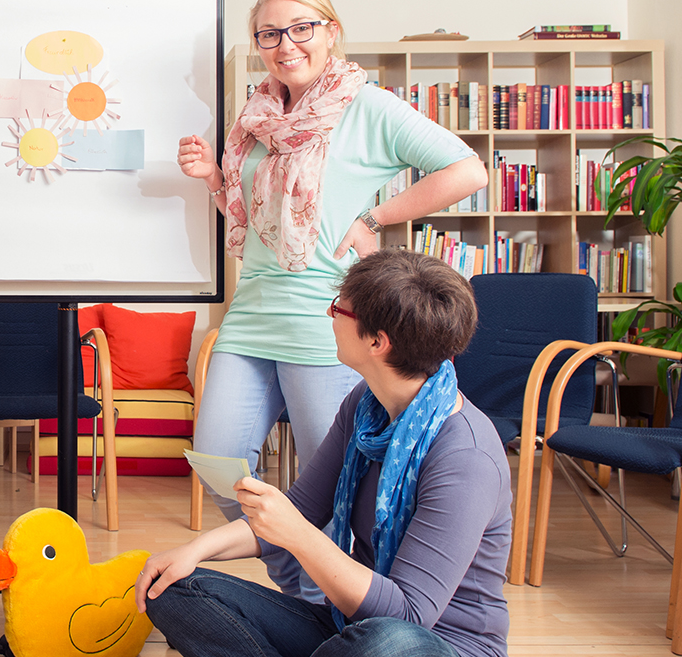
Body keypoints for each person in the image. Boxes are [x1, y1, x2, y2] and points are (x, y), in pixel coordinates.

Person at [177, 0, 488, 594]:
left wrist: (376, 218)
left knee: (338, 488)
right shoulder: (260, 115)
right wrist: (217, 177)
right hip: (253, 311)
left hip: (328, 321)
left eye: (301, 28)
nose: (285, 44)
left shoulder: (366, 107)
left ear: (330, 31)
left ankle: (332, 599)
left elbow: (468, 169)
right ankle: (306, 589)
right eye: (269, 33)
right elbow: (258, 221)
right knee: (219, 465)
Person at [136, 250, 511, 657]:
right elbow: (299, 508)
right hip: (350, 626)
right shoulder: (364, 407)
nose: (329, 316)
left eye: (339, 310)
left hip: (435, 644)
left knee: (385, 643)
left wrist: (297, 536)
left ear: (377, 342)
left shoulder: (466, 457)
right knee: (173, 588)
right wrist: (194, 551)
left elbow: (408, 615)